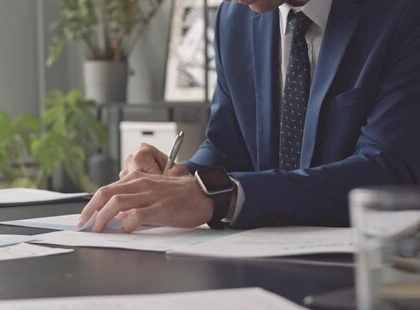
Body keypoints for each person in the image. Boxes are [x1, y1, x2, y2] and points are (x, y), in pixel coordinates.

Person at [78, 0, 420, 233]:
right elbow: (228, 148)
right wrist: (181, 177)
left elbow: (389, 170)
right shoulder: (233, 19)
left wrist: (220, 196)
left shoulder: (404, 14)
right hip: (260, 270)